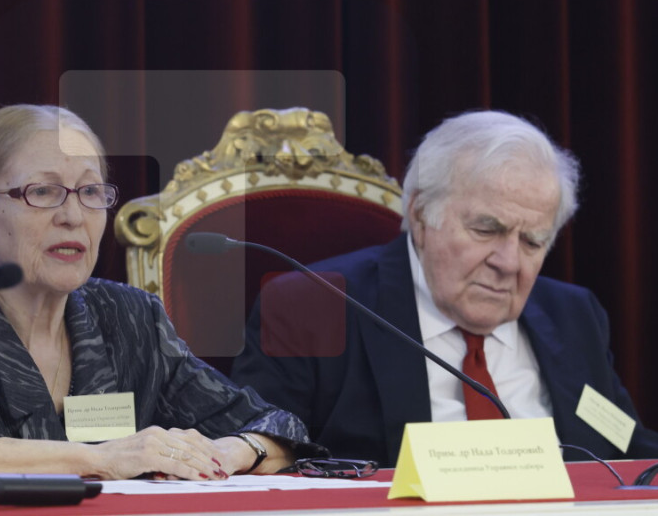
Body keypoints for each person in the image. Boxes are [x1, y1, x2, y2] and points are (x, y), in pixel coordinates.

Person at [0, 104, 323, 484]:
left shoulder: (130, 318)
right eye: (43, 192)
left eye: (90, 192)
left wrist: (223, 454)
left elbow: (276, 427)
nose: (73, 216)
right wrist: (102, 460)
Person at [232, 109, 658, 468]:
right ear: (421, 214)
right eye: (486, 230)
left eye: (533, 241)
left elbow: (631, 452)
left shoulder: (575, 316)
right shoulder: (312, 307)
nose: (509, 263)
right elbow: (264, 458)